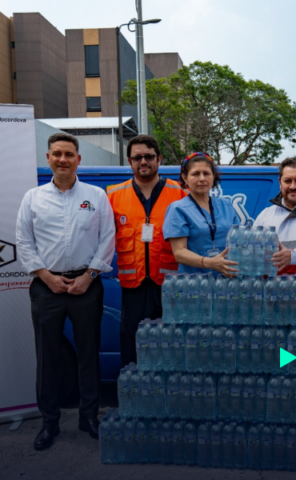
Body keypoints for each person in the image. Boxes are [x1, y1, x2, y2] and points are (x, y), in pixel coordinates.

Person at [15, 132, 115, 450]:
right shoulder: (32, 198)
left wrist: (90, 275)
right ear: (48, 158)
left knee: (89, 355)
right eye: (57, 153)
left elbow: (107, 238)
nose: (62, 159)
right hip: (46, 287)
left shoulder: (96, 196)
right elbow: (23, 241)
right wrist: (45, 276)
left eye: (69, 154)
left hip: (87, 285)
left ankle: (88, 418)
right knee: (48, 358)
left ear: (78, 159)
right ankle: (49, 423)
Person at [107, 135, 186, 367]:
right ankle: (137, 393)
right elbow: (98, 240)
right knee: (132, 343)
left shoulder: (180, 193)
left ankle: (170, 396)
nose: (143, 161)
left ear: (159, 159)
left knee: (172, 342)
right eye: (137, 157)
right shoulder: (112, 195)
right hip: (133, 287)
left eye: (149, 156)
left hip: (171, 286)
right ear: (129, 161)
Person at [164, 152, 240, 277]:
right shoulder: (178, 209)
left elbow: (238, 241)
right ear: (184, 177)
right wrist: (209, 263)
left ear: (213, 176)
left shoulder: (226, 205)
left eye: (206, 173)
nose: (202, 179)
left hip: (227, 281)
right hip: (195, 284)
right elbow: (179, 252)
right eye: (195, 174)